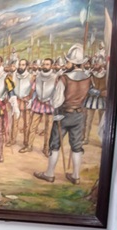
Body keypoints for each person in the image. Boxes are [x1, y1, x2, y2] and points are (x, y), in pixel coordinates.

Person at [34, 45, 92, 185]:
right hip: (79, 115)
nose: (66, 64)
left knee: (55, 144)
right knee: (76, 146)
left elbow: (57, 101)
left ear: (73, 63)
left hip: (63, 115)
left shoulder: (64, 79)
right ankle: (76, 176)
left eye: (68, 62)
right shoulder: (88, 78)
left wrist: (53, 102)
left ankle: (49, 174)